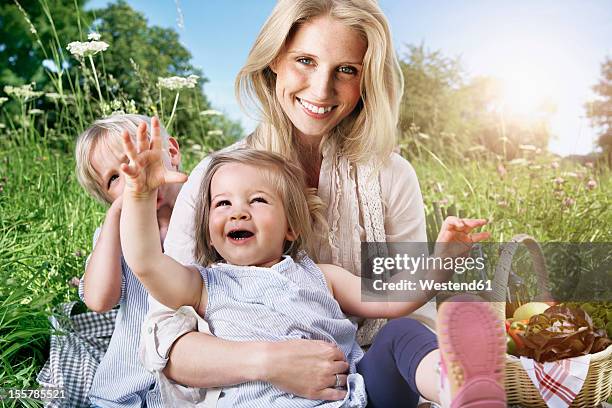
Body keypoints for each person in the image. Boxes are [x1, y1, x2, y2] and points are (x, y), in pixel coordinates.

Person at [139, 0, 502, 406]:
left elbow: (404, 307)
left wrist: (441, 262)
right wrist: (272, 361)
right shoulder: (217, 180)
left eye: (346, 69)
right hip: (255, 393)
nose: (321, 89)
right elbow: (166, 340)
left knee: (406, 336)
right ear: (275, 58)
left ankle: (467, 393)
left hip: (359, 386)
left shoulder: (389, 180)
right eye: (305, 60)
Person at [118, 119, 506, 407]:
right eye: (223, 204)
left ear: (290, 227)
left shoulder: (320, 275)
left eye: (257, 201)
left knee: (400, 333)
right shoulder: (203, 285)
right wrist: (139, 195)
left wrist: (441, 263)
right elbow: (147, 262)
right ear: (208, 225)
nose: (238, 212)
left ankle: (459, 388)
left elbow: (394, 299)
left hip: (356, 397)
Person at [74, 114, 182, 407]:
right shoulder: (117, 235)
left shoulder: (205, 214)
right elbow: (99, 300)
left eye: (138, 158)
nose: (133, 176)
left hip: (189, 387)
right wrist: (114, 218)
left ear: (171, 153)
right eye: (114, 178)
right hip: (124, 384)